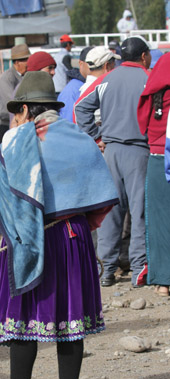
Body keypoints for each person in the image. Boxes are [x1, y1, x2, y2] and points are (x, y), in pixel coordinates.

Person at [0, 71, 119, 379]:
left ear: (27, 108)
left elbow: (5, 191)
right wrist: (78, 221)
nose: (17, 117)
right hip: (72, 236)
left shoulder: (16, 140)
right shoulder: (80, 137)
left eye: (18, 110)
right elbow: (98, 194)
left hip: (29, 237)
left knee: (25, 313)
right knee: (70, 314)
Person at [74, 36, 151, 288]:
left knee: (111, 212)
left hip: (111, 152)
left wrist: (96, 136)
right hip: (140, 151)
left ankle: (107, 269)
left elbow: (80, 108)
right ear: (143, 57)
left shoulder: (106, 80)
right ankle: (139, 267)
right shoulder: (148, 79)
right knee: (138, 212)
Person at [138, 52, 170, 297]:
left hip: (160, 151)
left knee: (160, 218)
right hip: (161, 150)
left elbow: (144, 110)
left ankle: (163, 280)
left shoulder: (164, 63)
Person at [0, 43, 31, 149]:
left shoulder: (27, 76)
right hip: (8, 124)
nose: (28, 63)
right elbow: (12, 103)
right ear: (17, 62)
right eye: (26, 60)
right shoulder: (6, 79)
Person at [58, 46, 93, 123]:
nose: (96, 67)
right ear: (81, 64)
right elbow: (69, 126)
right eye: (91, 63)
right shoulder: (72, 90)